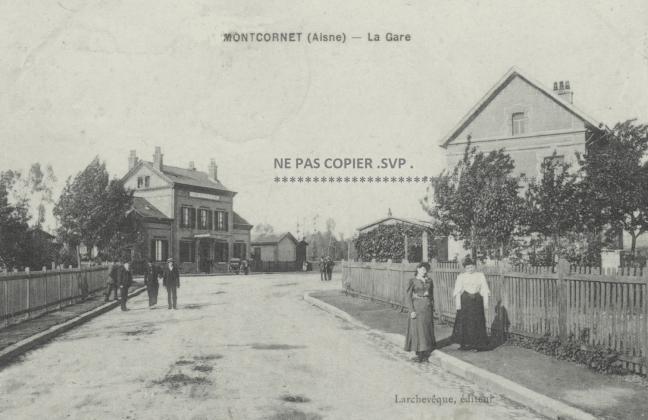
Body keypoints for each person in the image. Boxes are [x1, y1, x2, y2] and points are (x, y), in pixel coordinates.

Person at [451, 256, 490, 351]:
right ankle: (464, 344)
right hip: (466, 301)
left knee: (477, 322)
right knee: (465, 322)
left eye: (472, 267)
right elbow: (457, 291)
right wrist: (458, 305)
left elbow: (484, 289)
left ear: (475, 267)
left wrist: (485, 302)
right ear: (465, 268)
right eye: (468, 267)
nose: (470, 269)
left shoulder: (480, 275)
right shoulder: (461, 276)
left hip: (477, 301)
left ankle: (477, 345)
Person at [404, 262, 435, 362]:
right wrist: (411, 310)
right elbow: (408, 297)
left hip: (427, 307)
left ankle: (426, 352)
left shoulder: (429, 280)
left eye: (425, 269)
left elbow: (432, 295)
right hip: (417, 307)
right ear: (417, 269)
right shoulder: (412, 281)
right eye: (422, 269)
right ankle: (419, 353)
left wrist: (432, 305)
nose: (424, 271)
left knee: (426, 329)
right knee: (418, 330)